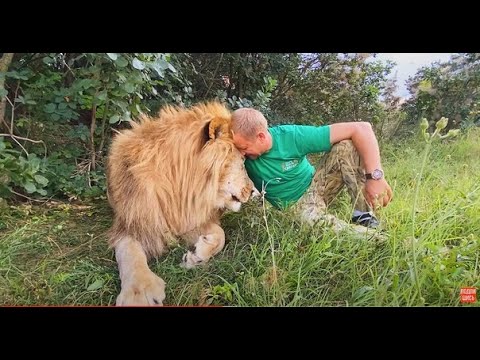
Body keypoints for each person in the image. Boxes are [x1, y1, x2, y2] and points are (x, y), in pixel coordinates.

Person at [231, 107, 393, 231]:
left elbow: (362, 128)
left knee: (347, 145)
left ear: (261, 136)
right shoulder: (240, 156)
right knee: (318, 225)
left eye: (244, 147)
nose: (241, 153)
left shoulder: (291, 136)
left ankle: (362, 214)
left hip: (318, 186)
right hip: (297, 206)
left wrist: (375, 177)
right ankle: (375, 239)